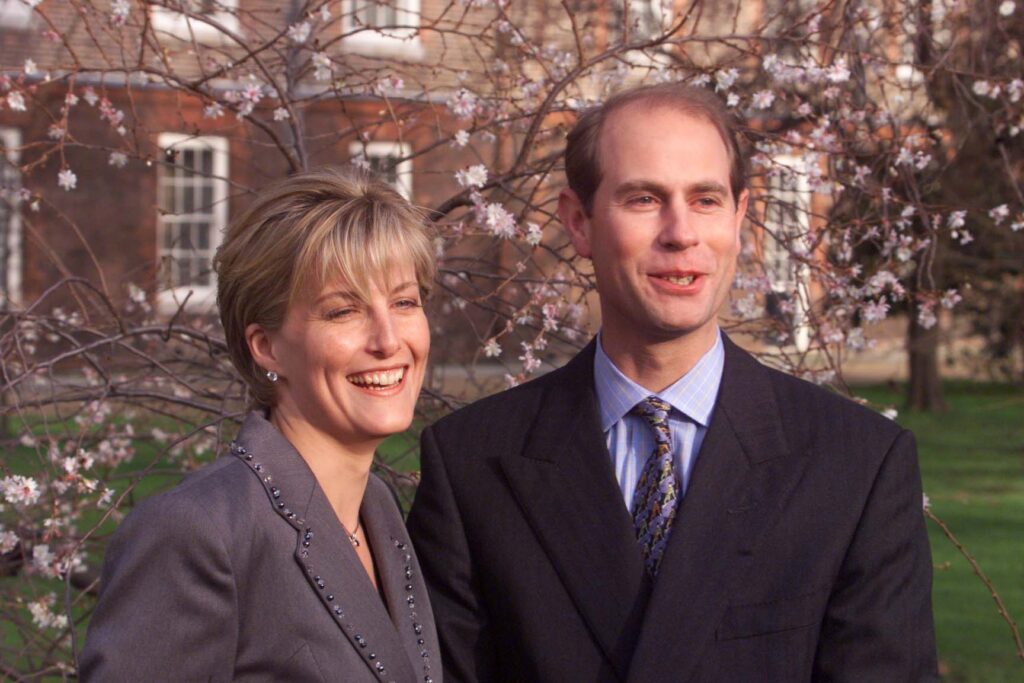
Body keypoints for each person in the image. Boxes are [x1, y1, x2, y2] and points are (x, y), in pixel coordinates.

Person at [406, 83, 938, 682]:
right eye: (644, 198)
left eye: (706, 199)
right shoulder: (472, 463)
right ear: (579, 223)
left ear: (739, 218)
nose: (680, 232)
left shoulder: (857, 464)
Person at [80, 168, 442, 683]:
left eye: (404, 302)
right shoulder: (198, 533)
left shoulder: (377, 511)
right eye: (343, 311)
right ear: (267, 346)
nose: (388, 340)